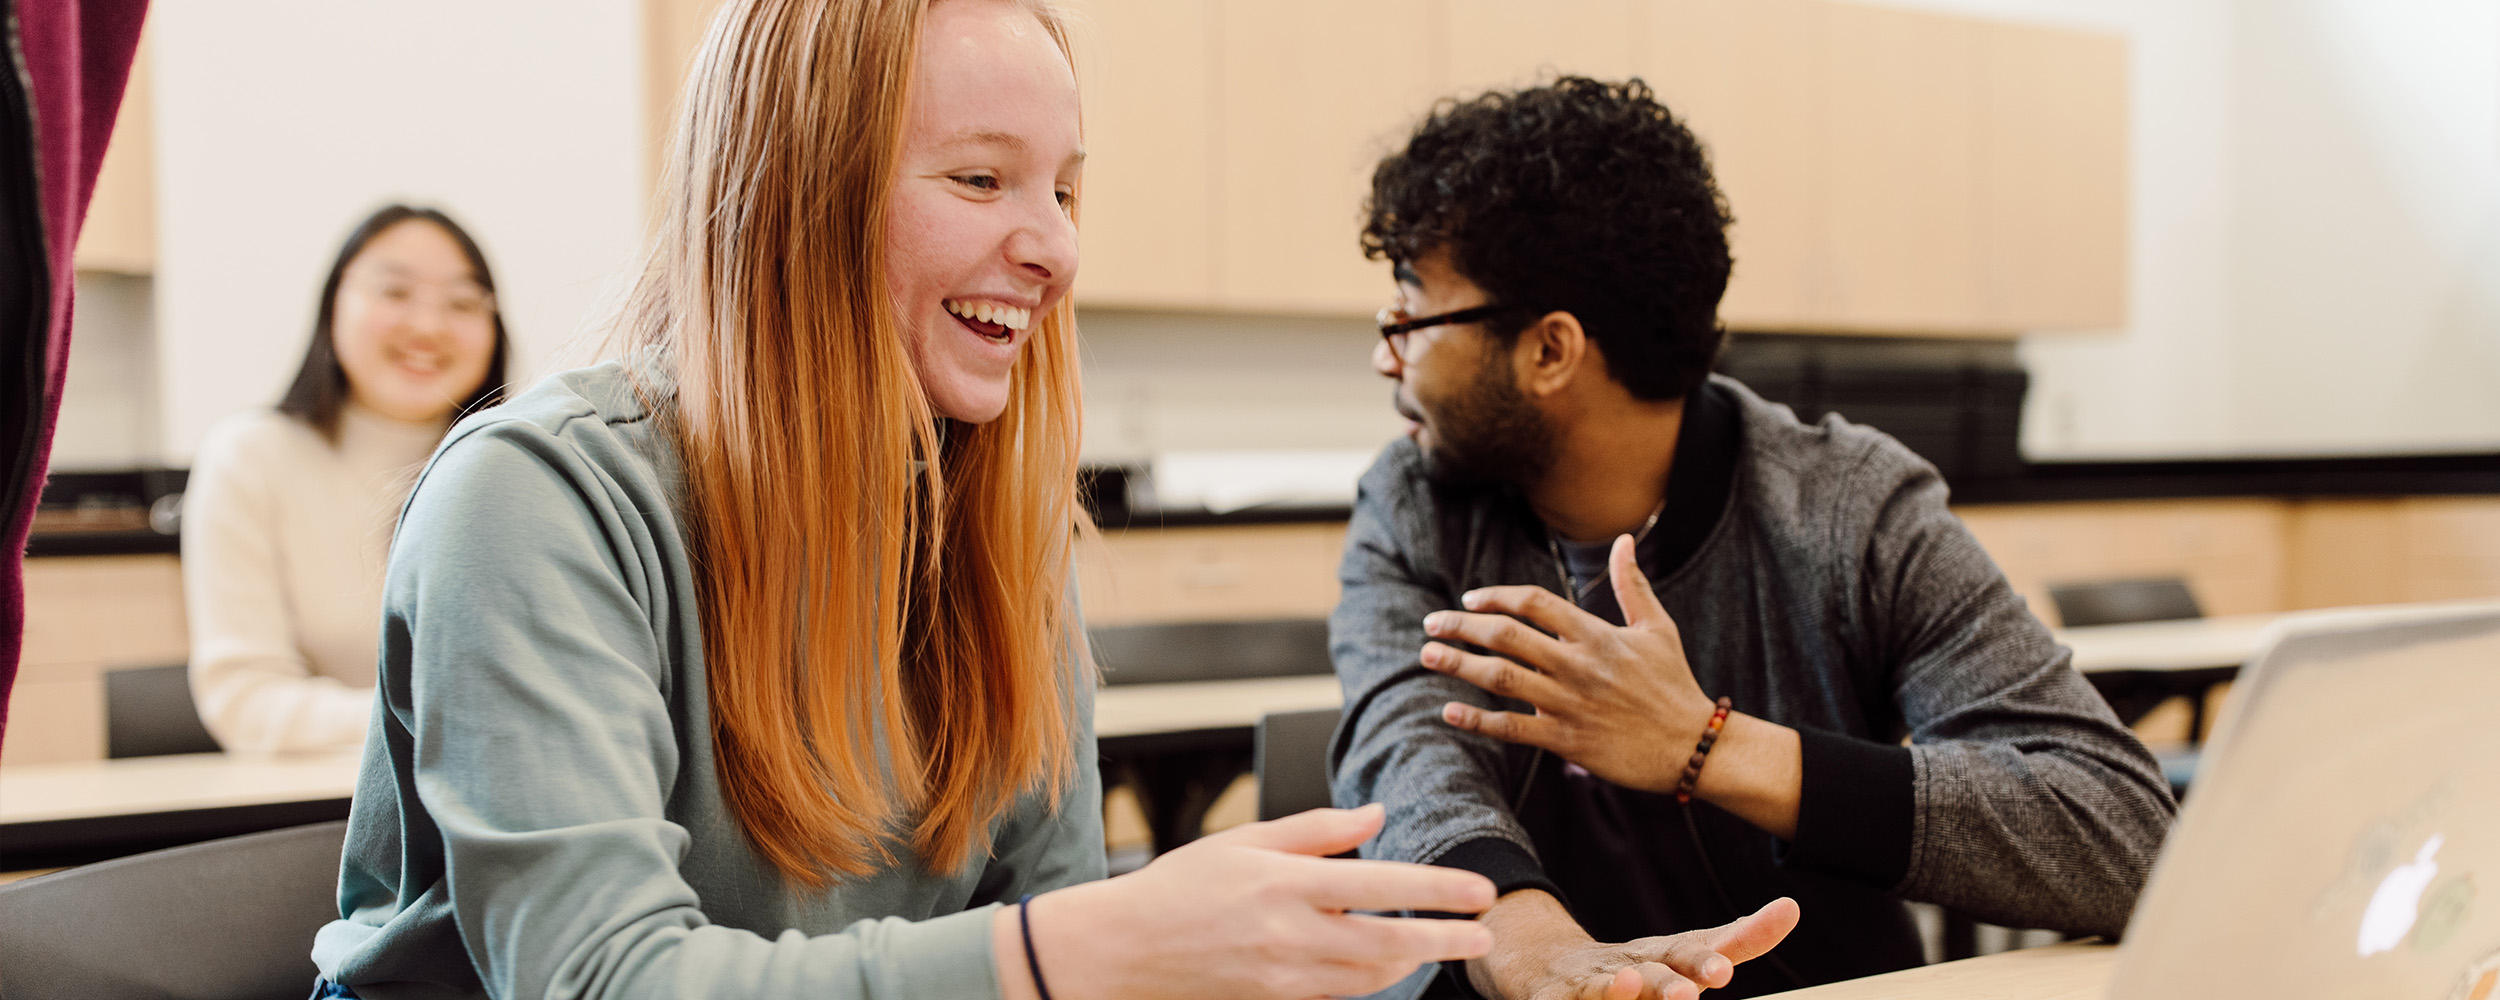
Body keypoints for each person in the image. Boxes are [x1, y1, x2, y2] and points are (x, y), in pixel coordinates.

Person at [306, 4, 1816, 999]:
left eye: (1067, 191)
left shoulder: (982, 528)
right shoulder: (532, 503)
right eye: (980, 180)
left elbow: (1057, 930)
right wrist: (1073, 950)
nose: (1055, 249)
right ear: (790, 200)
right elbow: (599, 982)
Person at [1329, 77, 2178, 999]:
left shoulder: (1848, 509)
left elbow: (2123, 837)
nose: (1388, 352)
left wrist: (1707, 745)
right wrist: (1546, 964)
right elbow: (1410, 770)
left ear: (1550, 350)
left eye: (1412, 313)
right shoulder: (1410, 506)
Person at [182, 205, 508, 755]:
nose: (428, 327)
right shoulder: (251, 456)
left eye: (461, 302)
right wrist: (445, 722)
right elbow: (246, 701)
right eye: (395, 293)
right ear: (334, 303)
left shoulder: (517, 464)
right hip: (320, 814)